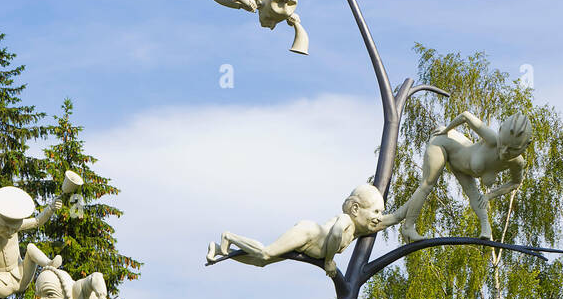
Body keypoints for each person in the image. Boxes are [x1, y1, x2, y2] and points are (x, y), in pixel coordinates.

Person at [379, 111, 532, 242]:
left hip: (463, 169)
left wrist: (489, 196)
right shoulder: (491, 139)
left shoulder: (516, 163)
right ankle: (408, 226)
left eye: (512, 150)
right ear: (499, 132)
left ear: (525, 147)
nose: (504, 152)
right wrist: (446, 129)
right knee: (427, 185)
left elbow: (515, 183)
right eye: (503, 145)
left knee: (476, 196)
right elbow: (465, 116)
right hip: (443, 144)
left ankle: (486, 229)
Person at [207, 183, 387, 278]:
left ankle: (220, 250)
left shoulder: (358, 230)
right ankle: (229, 236)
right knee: (265, 253)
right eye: (376, 211)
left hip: (308, 246)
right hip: (308, 234)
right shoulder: (346, 219)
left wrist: (411, 208)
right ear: (356, 209)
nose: (379, 217)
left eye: (381, 213)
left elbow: (394, 218)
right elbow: (336, 233)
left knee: (261, 262)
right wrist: (329, 261)